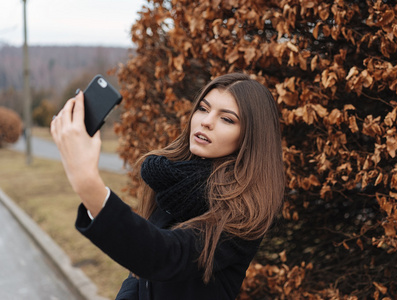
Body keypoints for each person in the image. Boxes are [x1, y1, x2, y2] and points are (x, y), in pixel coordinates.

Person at [51, 73, 285, 300]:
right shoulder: (174, 179)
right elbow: (140, 277)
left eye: (227, 119)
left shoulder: (244, 211)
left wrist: (87, 182)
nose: (206, 121)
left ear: (250, 137)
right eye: (203, 108)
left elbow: (166, 256)